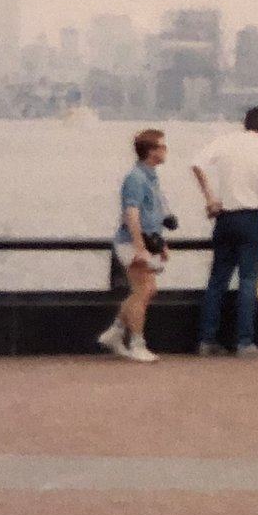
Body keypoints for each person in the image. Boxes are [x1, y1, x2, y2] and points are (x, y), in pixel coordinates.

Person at [191, 105, 258, 357]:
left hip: (225, 217)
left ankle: (207, 339)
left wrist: (209, 197)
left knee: (217, 280)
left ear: (245, 123)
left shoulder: (227, 142)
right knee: (248, 281)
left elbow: (196, 163)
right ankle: (244, 342)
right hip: (251, 220)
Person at [97, 128, 171, 364]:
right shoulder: (136, 179)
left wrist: (160, 245)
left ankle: (116, 331)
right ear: (150, 151)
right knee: (143, 290)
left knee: (147, 290)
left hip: (147, 241)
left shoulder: (151, 177)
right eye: (162, 146)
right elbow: (132, 214)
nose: (165, 150)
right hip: (132, 242)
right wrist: (139, 248)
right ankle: (137, 343)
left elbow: (153, 214)